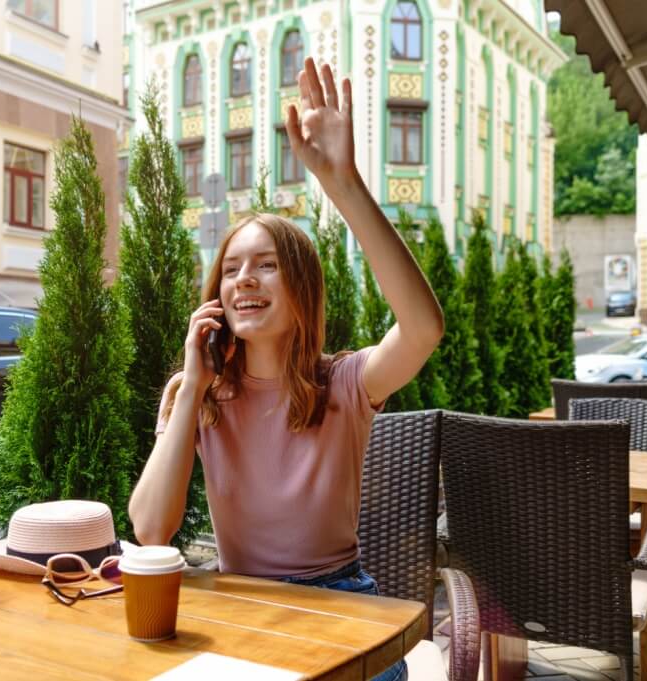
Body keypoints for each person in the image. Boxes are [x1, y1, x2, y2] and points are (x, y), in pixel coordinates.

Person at [128, 57, 444, 681]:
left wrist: (343, 184)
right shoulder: (199, 394)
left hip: (341, 600)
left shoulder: (347, 383)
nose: (245, 277)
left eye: (267, 264)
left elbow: (423, 329)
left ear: (301, 289)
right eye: (232, 268)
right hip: (238, 605)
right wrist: (192, 385)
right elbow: (149, 529)